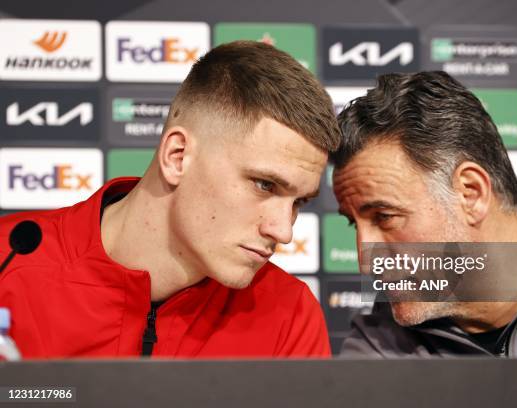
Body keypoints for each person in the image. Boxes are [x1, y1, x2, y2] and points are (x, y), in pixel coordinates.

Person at [0, 41, 341, 358]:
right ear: (178, 157)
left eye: (299, 203)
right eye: (265, 185)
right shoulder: (8, 263)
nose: (284, 231)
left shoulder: (289, 314)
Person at [332, 71, 517, 357]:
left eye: (385, 216)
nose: (366, 264)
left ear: (471, 193)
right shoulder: (380, 346)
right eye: (355, 224)